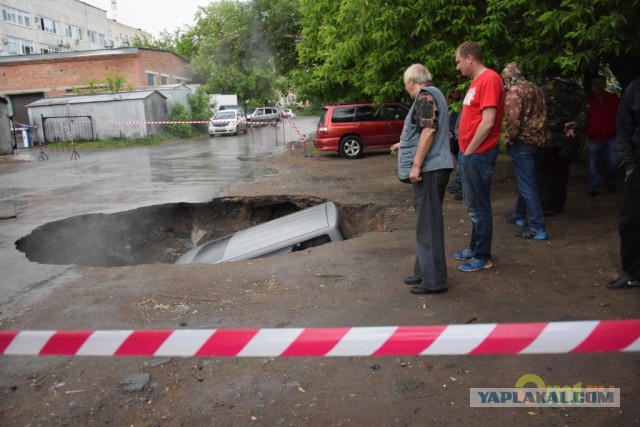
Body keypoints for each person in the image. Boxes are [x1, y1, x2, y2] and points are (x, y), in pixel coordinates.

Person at [390, 64, 453, 294]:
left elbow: (429, 131)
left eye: (405, 83)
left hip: (430, 169)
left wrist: (415, 166)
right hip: (436, 167)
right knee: (425, 224)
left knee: (428, 227)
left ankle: (434, 282)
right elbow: (422, 131)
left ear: (411, 82)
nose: (406, 88)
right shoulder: (433, 95)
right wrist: (403, 144)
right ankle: (422, 273)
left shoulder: (425, 96)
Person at [452, 41, 504, 272]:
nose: (457, 67)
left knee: (479, 206)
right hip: (470, 152)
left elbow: (489, 121)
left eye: (458, 61)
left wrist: (470, 149)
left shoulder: (490, 79)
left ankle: (483, 256)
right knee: (473, 204)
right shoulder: (477, 82)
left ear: (469, 58)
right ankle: (475, 248)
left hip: (479, 153)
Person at [501, 62, 548, 240]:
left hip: (523, 143)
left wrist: (509, 138)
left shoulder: (515, 91)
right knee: (526, 180)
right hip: (538, 142)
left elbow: (513, 120)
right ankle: (518, 214)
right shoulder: (537, 89)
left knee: (527, 185)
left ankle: (537, 227)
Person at [536, 68, 588, 215]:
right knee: (562, 172)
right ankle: (558, 204)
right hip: (568, 139)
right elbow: (584, 112)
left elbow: (540, 115)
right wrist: (573, 125)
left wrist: (557, 125)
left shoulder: (544, 90)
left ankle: (545, 205)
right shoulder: (578, 90)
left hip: (547, 139)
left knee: (543, 172)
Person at [608, 77, 640, 290]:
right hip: (638, 167)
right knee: (631, 222)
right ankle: (634, 272)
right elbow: (624, 128)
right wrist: (629, 166)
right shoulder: (635, 88)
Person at [586, 75, 619, 196]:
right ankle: (593, 187)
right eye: (596, 84)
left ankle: (610, 182)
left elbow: (620, 115)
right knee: (592, 164)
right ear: (591, 86)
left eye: (601, 83)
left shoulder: (613, 98)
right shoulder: (588, 99)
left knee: (613, 162)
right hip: (593, 137)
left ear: (604, 84)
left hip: (610, 136)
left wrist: (616, 126)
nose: (598, 86)